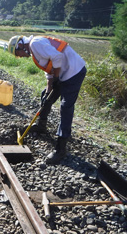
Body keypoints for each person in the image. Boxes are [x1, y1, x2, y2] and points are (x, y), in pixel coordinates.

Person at [7, 35, 87, 164]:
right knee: (46, 96)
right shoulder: (34, 52)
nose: (20, 56)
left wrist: (56, 78)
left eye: (18, 53)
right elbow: (49, 69)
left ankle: (60, 148)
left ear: (20, 45)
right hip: (61, 75)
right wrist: (50, 88)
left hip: (74, 72)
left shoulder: (35, 44)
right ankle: (41, 125)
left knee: (66, 106)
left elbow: (57, 57)